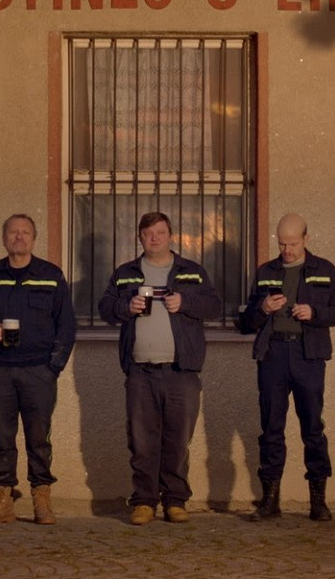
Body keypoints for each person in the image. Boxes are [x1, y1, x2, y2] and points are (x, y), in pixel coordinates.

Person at [98, 211, 223, 525]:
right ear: (140, 238)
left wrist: (186, 303)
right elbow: (105, 308)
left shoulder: (191, 271)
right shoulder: (126, 273)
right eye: (148, 234)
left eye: (160, 233)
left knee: (177, 441)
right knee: (142, 442)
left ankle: (175, 501)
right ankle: (144, 502)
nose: (154, 238)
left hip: (182, 371)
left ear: (171, 236)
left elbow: (215, 306)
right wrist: (125, 307)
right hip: (140, 371)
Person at [0, 213, 76, 525]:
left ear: (34, 239)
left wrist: (53, 367)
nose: (19, 237)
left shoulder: (50, 275)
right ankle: (3, 499)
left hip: (38, 371)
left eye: (25, 232)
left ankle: (42, 498)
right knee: (0, 435)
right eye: (13, 232)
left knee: (39, 437)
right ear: (5, 238)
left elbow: (66, 325)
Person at [238, 213, 335, 521]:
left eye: (293, 244)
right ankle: (270, 501)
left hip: (308, 355)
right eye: (282, 244)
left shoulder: (324, 270)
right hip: (273, 354)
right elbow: (245, 322)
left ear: (306, 239)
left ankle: (318, 502)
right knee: (271, 427)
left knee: (312, 427)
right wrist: (262, 308)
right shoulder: (266, 272)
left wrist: (314, 312)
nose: (287, 250)